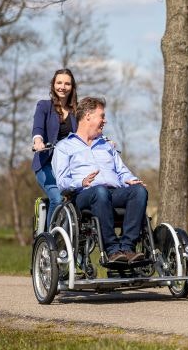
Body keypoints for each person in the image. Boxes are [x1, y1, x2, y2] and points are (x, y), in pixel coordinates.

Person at [52, 97, 147, 263]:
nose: (105, 120)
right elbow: (62, 183)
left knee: (139, 191)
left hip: (113, 193)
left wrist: (131, 180)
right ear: (88, 116)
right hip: (84, 195)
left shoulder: (107, 145)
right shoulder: (64, 147)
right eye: (101, 116)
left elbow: (122, 171)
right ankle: (112, 250)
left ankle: (127, 248)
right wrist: (81, 182)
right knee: (100, 192)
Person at [32, 68, 78, 227]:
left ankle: (72, 246)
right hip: (46, 165)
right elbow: (37, 129)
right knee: (58, 198)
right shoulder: (44, 106)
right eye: (59, 82)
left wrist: (102, 137)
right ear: (53, 84)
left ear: (72, 87)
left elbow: (87, 133)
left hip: (69, 166)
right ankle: (51, 241)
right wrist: (38, 142)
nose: (62, 87)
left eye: (67, 83)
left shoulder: (76, 111)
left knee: (78, 203)